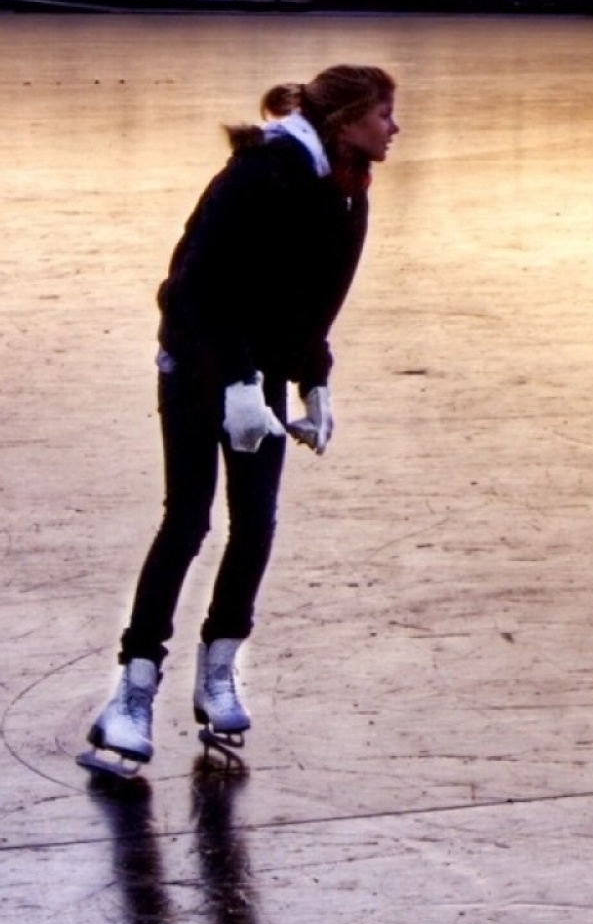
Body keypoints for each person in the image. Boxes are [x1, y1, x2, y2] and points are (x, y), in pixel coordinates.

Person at [82, 66, 399, 774]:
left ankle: (219, 667)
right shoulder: (261, 175)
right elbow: (189, 290)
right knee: (189, 520)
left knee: (256, 522)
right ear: (346, 119)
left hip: (261, 373)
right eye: (383, 114)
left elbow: (308, 301)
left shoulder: (347, 189)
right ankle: (131, 694)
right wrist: (233, 383)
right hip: (197, 365)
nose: (393, 128)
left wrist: (313, 381)